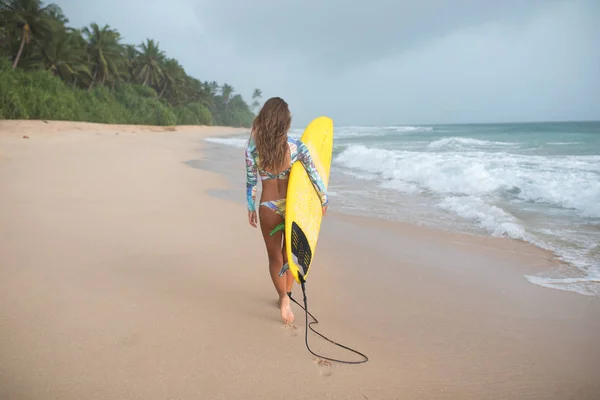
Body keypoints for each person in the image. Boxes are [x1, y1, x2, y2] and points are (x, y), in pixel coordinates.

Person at [245, 97, 329, 325]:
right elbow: (314, 175)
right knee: (288, 256)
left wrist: (251, 208)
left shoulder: (253, 148)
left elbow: (251, 182)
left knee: (274, 257)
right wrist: (323, 199)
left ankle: (282, 296)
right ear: (286, 122)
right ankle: (287, 296)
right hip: (293, 209)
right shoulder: (295, 147)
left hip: (268, 208)